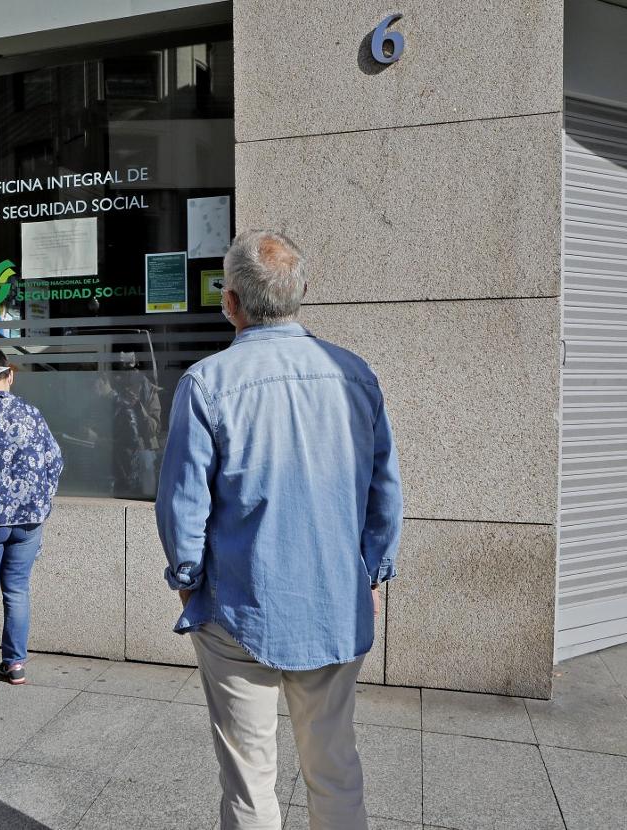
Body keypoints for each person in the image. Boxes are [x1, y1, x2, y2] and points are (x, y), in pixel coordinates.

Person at [155, 230, 403, 830]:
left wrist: (188, 582)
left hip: (239, 607)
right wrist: (371, 573)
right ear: (302, 294)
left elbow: (182, 505)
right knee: (335, 767)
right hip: (335, 604)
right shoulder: (356, 376)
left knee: (248, 782)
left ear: (230, 300)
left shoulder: (207, 384)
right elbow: (384, 497)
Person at [0, 348, 63, 694]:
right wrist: (40, 502)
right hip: (29, 519)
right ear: (10, 375)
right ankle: (16, 664)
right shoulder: (30, 413)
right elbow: (54, 460)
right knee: (17, 591)